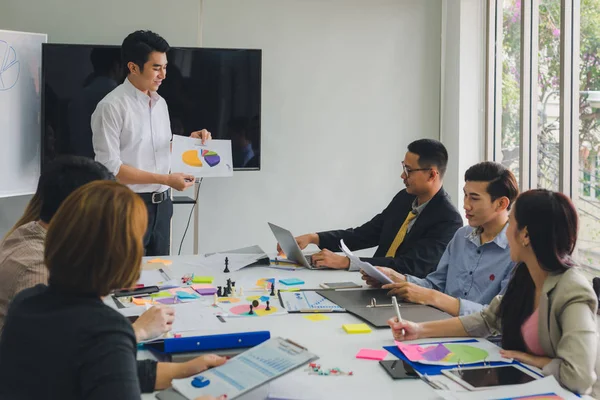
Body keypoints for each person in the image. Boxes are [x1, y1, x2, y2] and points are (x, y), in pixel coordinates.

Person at [0, 181, 226, 400]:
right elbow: (105, 365)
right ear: (122, 255)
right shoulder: (105, 332)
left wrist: (182, 371)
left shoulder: (28, 302)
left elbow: (102, 373)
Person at [388, 189, 600, 397]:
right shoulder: (525, 275)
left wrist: (533, 360)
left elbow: (578, 378)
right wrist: (418, 330)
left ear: (525, 235)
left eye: (511, 224)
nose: (506, 232)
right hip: (529, 385)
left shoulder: (573, 290)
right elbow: (487, 320)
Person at [0, 156, 172, 341]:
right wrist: (138, 331)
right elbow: (61, 355)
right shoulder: (42, 272)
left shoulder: (29, 231)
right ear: (86, 212)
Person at [92, 30, 212, 256]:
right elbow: (111, 169)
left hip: (163, 207)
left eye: (165, 67)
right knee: (127, 281)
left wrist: (190, 143)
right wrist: (166, 179)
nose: (163, 75)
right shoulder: (111, 107)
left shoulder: (161, 104)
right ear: (133, 67)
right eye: (156, 68)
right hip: (128, 206)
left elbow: (155, 151)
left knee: (161, 279)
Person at [278, 139, 463, 278]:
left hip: (406, 301)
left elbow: (409, 266)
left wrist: (346, 262)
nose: (402, 175)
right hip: (372, 285)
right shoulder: (404, 199)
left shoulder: (448, 219)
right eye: (403, 168)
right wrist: (313, 238)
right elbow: (364, 234)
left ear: (431, 174)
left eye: (408, 170)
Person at [362, 162, 518, 316]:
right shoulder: (461, 236)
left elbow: (499, 317)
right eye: (465, 195)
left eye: (474, 199)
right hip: (439, 323)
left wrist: (435, 298)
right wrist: (396, 279)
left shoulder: (517, 252)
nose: (466, 205)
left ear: (501, 204)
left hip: (480, 338)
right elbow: (435, 285)